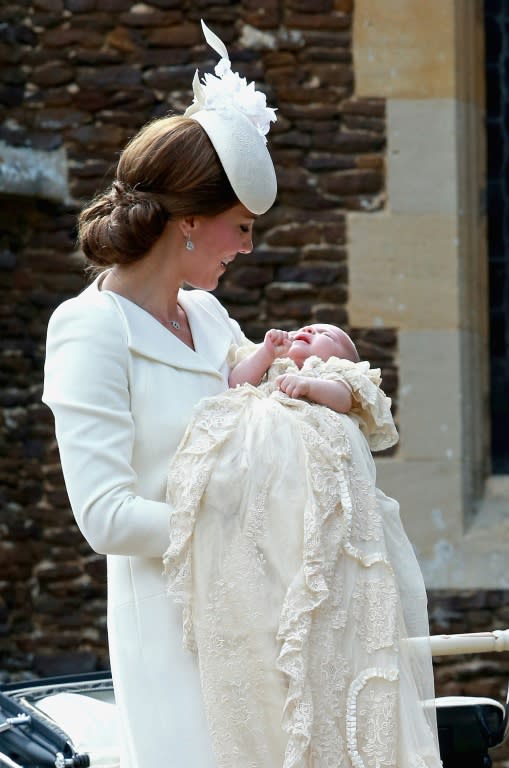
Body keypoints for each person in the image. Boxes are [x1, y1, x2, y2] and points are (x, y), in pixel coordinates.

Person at [42, 21, 278, 768]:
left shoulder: (207, 316)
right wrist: (236, 516)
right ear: (187, 225)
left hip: (259, 617)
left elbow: (271, 409)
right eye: (239, 228)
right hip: (171, 634)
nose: (245, 248)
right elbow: (106, 516)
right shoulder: (88, 329)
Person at [163, 324, 443, 767]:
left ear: (344, 355)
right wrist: (264, 355)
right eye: (304, 329)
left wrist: (312, 384)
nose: (309, 329)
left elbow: (348, 398)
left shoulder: (338, 376)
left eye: (327, 332)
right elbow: (235, 382)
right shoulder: (267, 366)